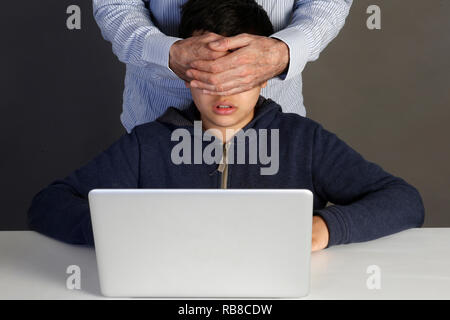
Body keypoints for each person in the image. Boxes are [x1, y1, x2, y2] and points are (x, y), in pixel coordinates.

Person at [28, 0, 424, 252]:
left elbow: (404, 201)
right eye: (207, 73)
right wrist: (122, 233)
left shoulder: (303, 144)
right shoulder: (148, 145)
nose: (222, 87)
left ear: (265, 74)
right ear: (186, 77)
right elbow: (49, 205)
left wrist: (327, 227)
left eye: (238, 73)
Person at [92, 0, 353, 132]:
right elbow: (116, 4)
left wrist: (284, 51)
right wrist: (166, 54)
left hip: (276, 128)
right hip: (157, 119)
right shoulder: (141, 152)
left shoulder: (305, 148)